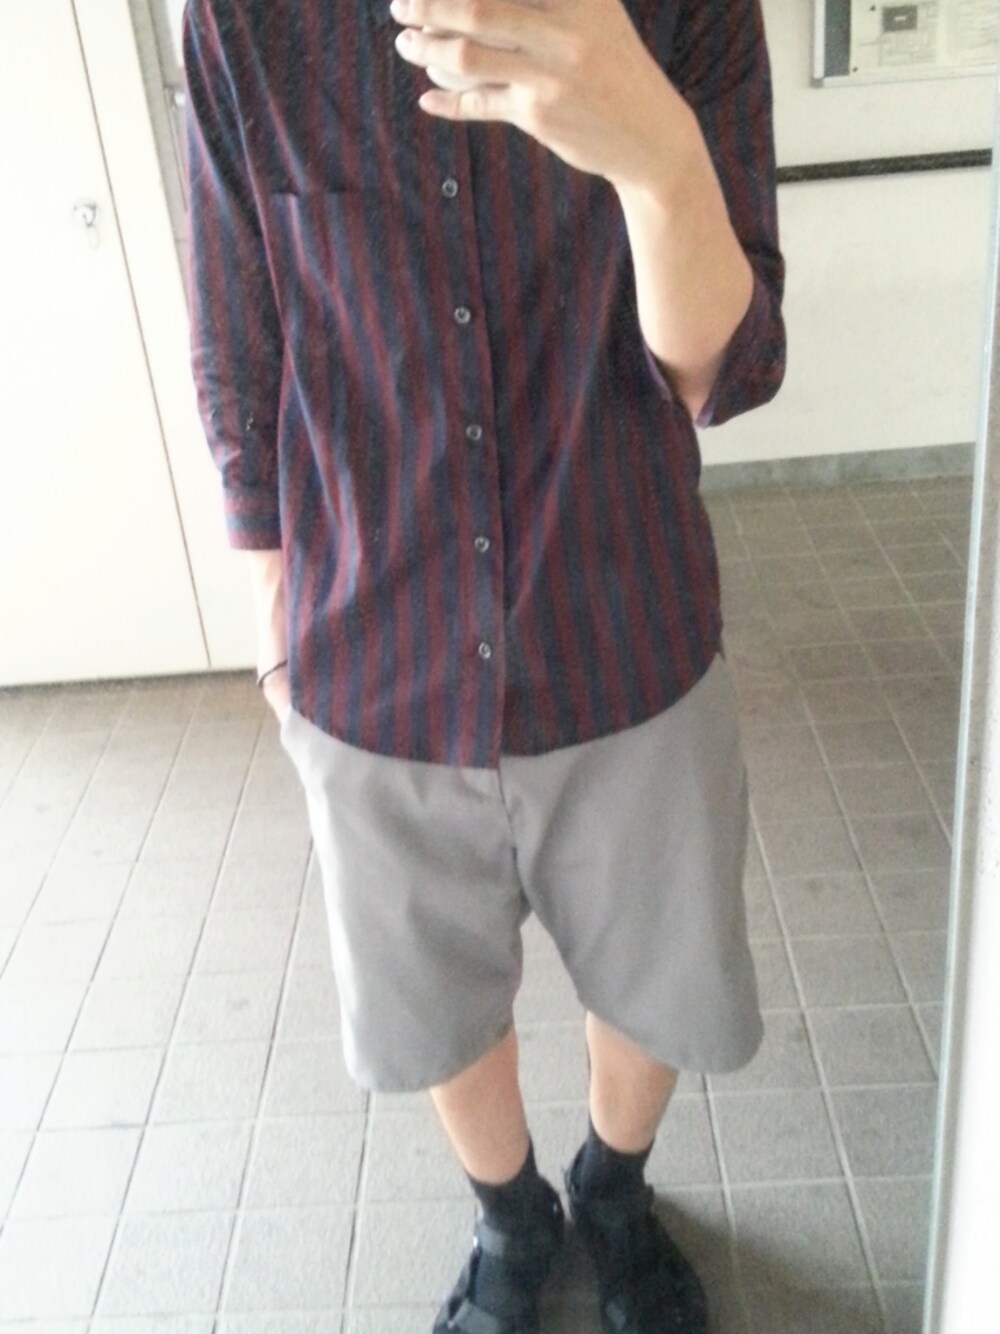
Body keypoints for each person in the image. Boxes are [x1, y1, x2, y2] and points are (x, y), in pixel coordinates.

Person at [182, 0, 786, 1328]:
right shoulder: (243, 18)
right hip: (368, 647)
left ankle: (614, 1188)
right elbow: (238, 329)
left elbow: (730, 369)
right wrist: (273, 610)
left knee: (659, 974)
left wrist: (658, 157)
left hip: (626, 621)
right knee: (436, 998)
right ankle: (512, 1215)